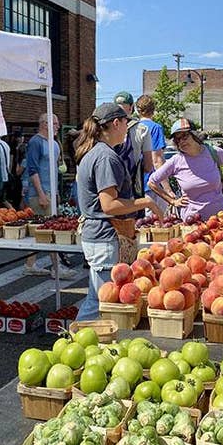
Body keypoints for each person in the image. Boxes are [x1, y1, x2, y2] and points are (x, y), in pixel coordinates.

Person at [75, 103, 163, 321]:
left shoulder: (97, 152)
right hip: (104, 236)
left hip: (99, 235)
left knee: (103, 300)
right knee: (100, 301)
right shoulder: (106, 157)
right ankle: (71, 343)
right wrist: (145, 202)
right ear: (116, 123)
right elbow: (109, 205)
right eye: (126, 123)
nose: (128, 127)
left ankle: (84, 345)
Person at [147, 118, 223, 220]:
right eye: (177, 139)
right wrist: (172, 201)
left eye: (184, 136)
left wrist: (222, 185)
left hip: (220, 218)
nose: (181, 141)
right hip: (192, 221)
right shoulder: (176, 161)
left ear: (195, 135)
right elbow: (152, 182)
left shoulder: (213, 152)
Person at [23, 113, 73, 279]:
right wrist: (41, 194)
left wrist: (56, 192)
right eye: (55, 124)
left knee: (43, 230)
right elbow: (32, 170)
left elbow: (54, 170)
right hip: (40, 193)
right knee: (49, 230)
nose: (58, 126)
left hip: (51, 191)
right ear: (45, 124)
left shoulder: (55, 144)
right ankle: (56, 268)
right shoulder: (35, 142)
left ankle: (30, 265)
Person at [113, 91, 153, 201]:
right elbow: (148, 166)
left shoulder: (106, 128)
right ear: (131, 107)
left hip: (108, 188)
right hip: (131, 191)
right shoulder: (142, 129)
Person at [136, 94, 172, 211]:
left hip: (136, 185)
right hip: (153, 186)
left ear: (138, 110)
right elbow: (157, 160)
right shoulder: (155, 128)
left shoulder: (131, 128)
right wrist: (167, 189)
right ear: (153, 110)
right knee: (158, 224)